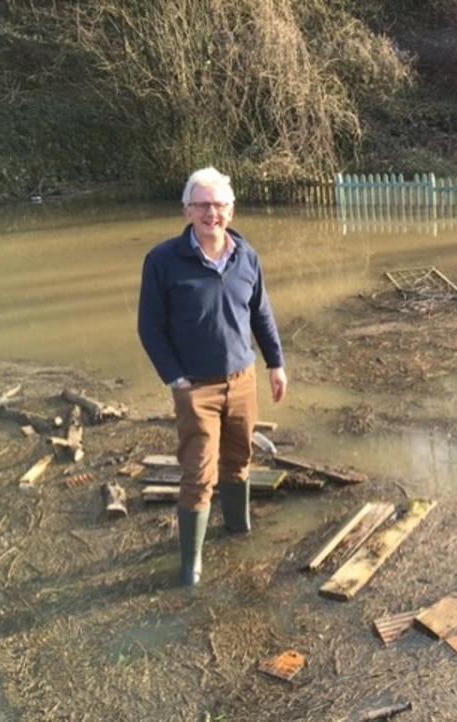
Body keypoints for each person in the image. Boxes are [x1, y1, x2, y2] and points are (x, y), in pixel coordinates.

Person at [138, 167, 287, 586]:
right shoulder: (163, 261)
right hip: (195, 387)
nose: (211, 213)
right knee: (198, 473)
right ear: (187, 210)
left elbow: (261, 314)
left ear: (231, 209)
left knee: (239, 460)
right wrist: (175, 380)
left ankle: (238, 529)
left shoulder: (247, 256)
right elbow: (150, 328)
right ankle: (192, 566)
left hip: (242, 380)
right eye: (202, 204)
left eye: (219, 205)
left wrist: (275, 364)